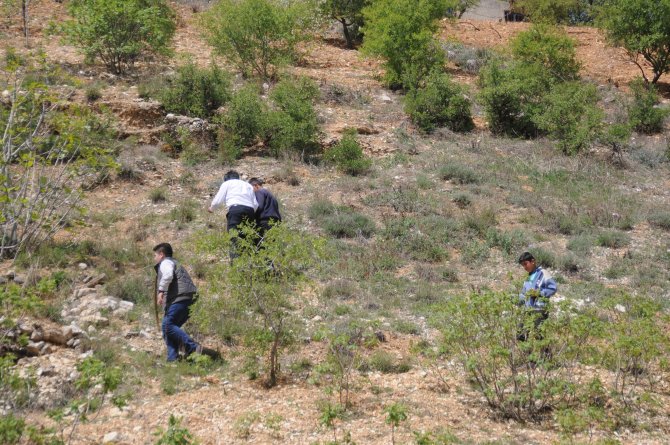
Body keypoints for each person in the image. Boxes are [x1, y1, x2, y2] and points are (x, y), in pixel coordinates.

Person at [153, 243, 218, 362]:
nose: (154, 258)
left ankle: (193, 348)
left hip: (180, 298)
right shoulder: (175, 263)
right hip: (189, 298)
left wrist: (160, 291)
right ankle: (172, 359)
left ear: (161, 254)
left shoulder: (166, 262)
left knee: (168, 325)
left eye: (155, 255)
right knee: (168, 326)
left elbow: (167, 275)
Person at [208, 170, 258, 259]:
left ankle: (236, 266)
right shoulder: (248, 185)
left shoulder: (227, 183)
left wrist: (212, 208)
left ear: (226, 179)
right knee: (248, 239)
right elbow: (255, 204)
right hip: (250, 212)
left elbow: (218, 199)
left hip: (236, 211)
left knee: (234, 239)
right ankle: (250, 265)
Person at [517, 251, 557, 342]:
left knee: (540, 337)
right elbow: (523, 293)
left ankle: (546, 356)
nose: (524, 267)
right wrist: (518, 301)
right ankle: (526, 355)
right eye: (523, 265)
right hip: (528, 310)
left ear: (533, 261)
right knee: (521, 335)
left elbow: (553, 288)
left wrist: (539, 293)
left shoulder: (543, 273)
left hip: (540, 310)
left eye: (526, 264)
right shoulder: (527, 277)